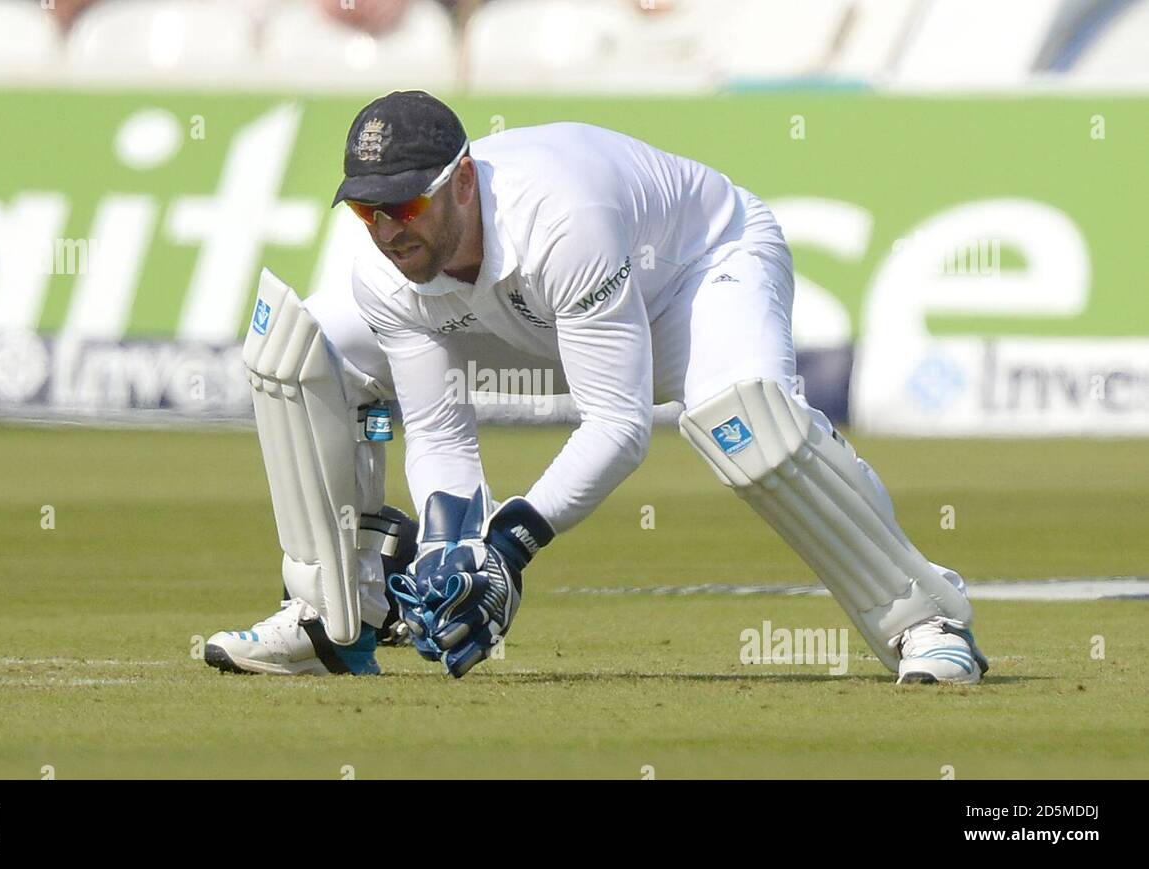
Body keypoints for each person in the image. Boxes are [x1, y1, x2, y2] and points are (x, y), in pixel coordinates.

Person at [206, 90, 989, 684]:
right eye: (371, 212)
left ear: (465, 182)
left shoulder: (562, 218)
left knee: (743, 424)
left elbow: (618, 423)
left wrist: (506, 548)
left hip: (693, 276)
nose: (390, 231)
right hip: (535, 317)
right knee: (301, 349)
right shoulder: (387, 269)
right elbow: (442, 432)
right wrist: (452, 554)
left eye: (407, 203)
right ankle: (337, 616)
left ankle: (927, 619)